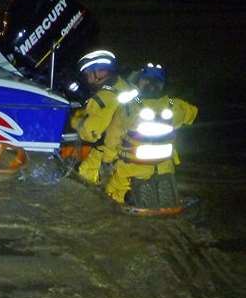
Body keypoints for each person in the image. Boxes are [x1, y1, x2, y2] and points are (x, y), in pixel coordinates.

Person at [102, 62, 198, 204]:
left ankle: (126, 200)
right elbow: (193, 114)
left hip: (139, 167)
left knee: (113, 193)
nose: (151, 84)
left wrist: (107, 159)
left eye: (155, 81)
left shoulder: (130, 106)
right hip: (156, 167)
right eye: (148, 80)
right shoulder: (173, 104)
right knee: (118, 190)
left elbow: (113, 137)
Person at [68, 49, 135, 186]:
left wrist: (73, 120)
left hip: (109, 153)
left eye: (88, 74)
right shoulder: (126, 86)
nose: (87, 79)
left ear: (100, 72)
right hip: (130, 145)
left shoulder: (104, 97)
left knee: (84, 177)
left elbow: (90, 134)